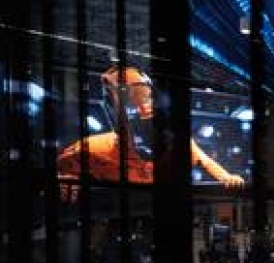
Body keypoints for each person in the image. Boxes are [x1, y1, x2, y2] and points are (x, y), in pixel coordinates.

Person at [58, 65, 244, 200]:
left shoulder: (176, 145)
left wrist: (227, 178)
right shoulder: (93, 148)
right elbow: (61, 168)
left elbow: (206, 162)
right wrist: (67, 179)